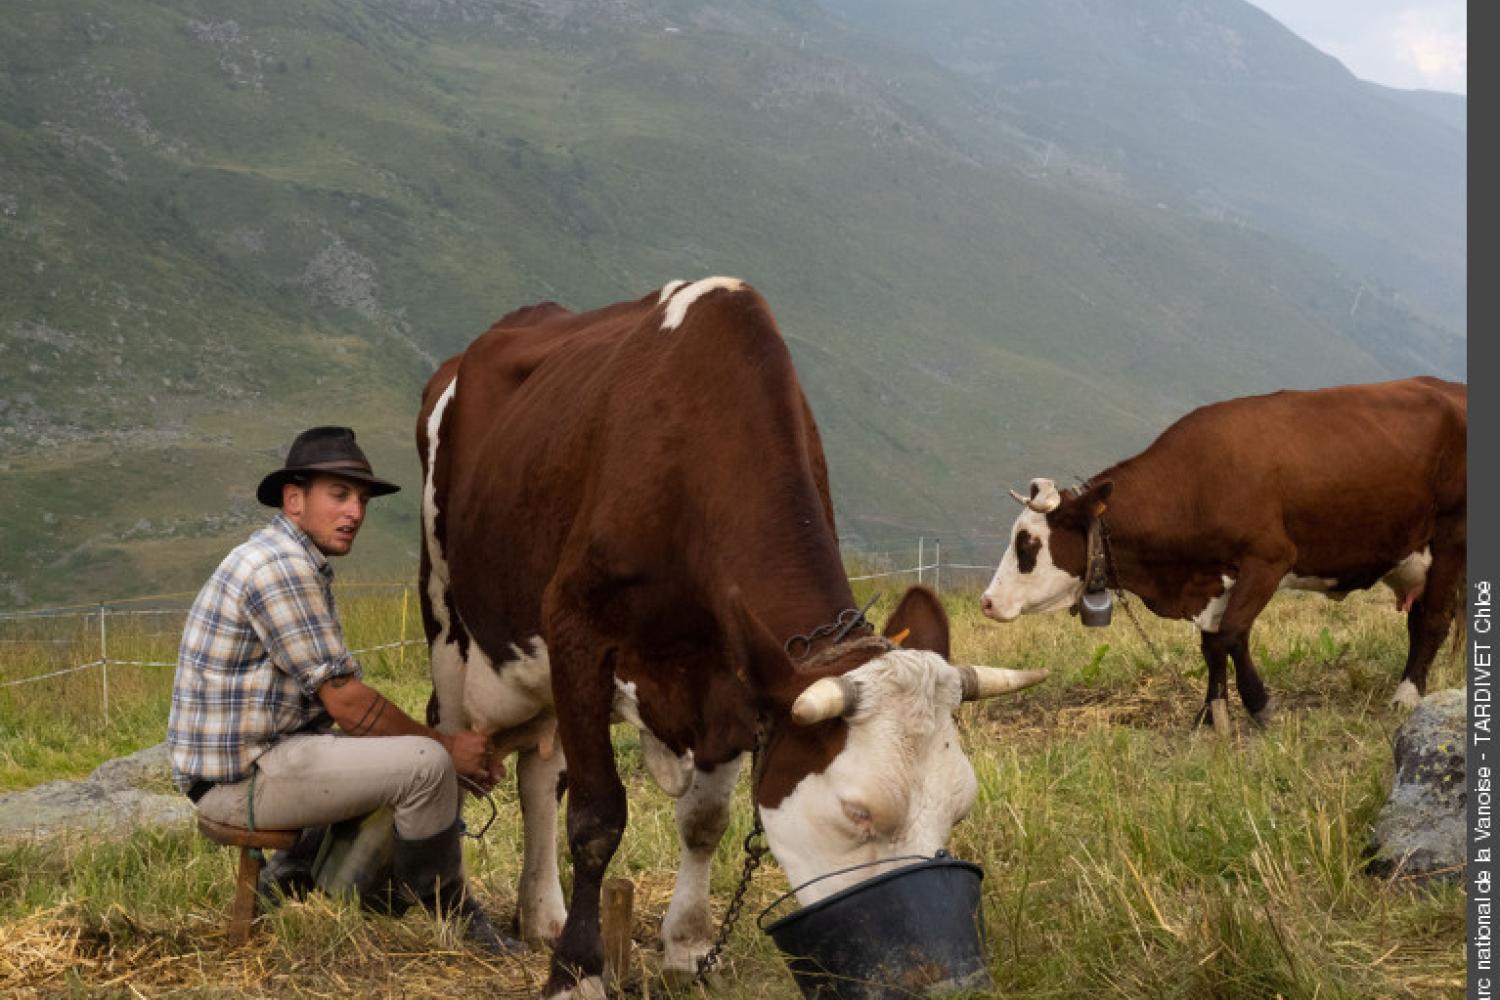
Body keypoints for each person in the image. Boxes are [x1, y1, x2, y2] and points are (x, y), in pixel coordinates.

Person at [167, 426, 519, 954]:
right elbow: (348, 704)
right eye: (339, 494)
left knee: (402, 755)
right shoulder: (281, 568)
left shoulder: (285, 555)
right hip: (241, 781)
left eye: (361, 498)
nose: (355, 511)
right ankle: (451, 917)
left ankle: (307, 877)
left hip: (256, 758)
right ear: (294, 499)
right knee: (425, 766)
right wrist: (449, 750)